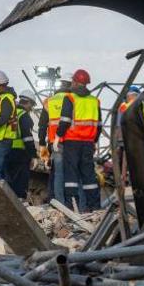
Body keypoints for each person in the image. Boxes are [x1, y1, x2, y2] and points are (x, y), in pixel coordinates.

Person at [56, 68, 102, 212]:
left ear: (75, 82)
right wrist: (94, 141)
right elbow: (99, 125)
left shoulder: (70, 98)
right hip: (88, 143)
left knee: (71, 174)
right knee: (88, 174)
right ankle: (93, 206)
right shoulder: (94, 101)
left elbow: (64, 121)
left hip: (71, 142)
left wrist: (58, 136)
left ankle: (72, 206)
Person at [37, 74, 72, 203]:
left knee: (56, 172)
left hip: (54, 143)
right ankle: (71, 203)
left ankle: (56, 202)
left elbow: (42, 126)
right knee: (71, 173)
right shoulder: (74, 100)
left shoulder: (49, 101)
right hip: (72, 142)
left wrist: (42, 145)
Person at [5, 90, 37, 199]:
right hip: (20, 153)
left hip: (6, 150)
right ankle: (20, 200)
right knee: (21, 179)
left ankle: (8, 200)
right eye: (31, 105)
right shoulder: (24, 116)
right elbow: (28, 138)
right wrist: (33, 155)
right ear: (28, 103)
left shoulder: (11, 112)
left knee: (9, 179)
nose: (31, 108)